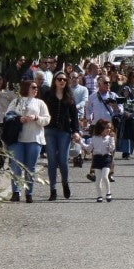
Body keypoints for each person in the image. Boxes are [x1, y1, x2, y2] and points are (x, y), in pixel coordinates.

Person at [7, 78, 50, 203]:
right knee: (16, 166)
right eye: (33, 87)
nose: (36, 89)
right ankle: (15, 192)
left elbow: (47, 119)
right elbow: (8, 116)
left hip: (34, 138)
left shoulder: (40, 103)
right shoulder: (16, 101)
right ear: (26, 88)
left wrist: (36, 118)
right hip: (17, 138)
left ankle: (29, 193)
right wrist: (19, 119)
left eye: (36, 87)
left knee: (31, 167)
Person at [41, 71, 80, 201]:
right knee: (52, 160)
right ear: (55, 81)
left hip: (64, 131)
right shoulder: (48, 95)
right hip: (50, 130)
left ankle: (65, 182)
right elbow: (42, 111)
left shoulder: (69, 96)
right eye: (59, 79)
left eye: (64, 79)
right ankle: (53, 189)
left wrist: (76, 131)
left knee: (63, 160)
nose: (62, 81)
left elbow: (74, 115)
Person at [82, 118, 116, 202]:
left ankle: (108, 193)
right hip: (97, 158)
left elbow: (112, 149)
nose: (109, 130)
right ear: (101, 128)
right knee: (98, 179)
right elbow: (89, 149)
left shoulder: (109, 138)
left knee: (105, 176)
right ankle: (99, 195)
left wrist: (111, 139)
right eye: (107, 128)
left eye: (110, 128)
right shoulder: (94, 138)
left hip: (106, 158)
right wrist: (80, 142)